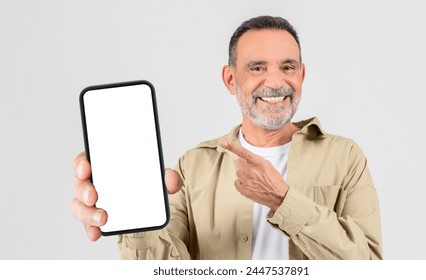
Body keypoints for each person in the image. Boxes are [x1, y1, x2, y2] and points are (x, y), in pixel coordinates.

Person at [71, 15, 383, 260]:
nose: (275, 81)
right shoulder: (193, 167)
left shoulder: (345, 157)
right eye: (257, 67)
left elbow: (368, 264)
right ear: (230, 79)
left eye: (288, 66)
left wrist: (284, 201)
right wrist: (134, 221)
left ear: (301, 75)